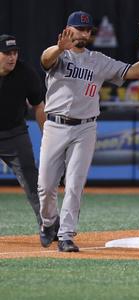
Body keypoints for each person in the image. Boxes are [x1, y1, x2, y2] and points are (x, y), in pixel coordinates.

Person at [38, 11, 139, 252]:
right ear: (68, 29)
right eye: (79, 29)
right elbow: (45, 60)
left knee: (74, 184)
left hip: (86, 127)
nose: (84, 33)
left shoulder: (98, 60)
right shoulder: (59, 54)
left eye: (88, 30)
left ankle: (66, 235)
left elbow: (131, 72)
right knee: (46, 187)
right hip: (55, 125)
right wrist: (58, 48)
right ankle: (49, 223)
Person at [0, 34, 46, 230]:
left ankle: (49, 225)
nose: (12, 57)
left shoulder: (25, 72)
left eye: (15, 53)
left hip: (14, 134)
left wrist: (48, 136)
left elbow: (38, 106)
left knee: (31, 181)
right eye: (6, 53)